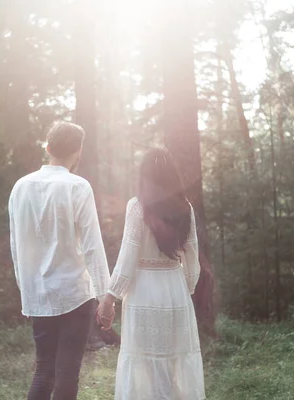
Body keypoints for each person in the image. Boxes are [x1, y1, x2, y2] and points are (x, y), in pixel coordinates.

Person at [9, 122, 112, 400]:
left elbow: (17, 247)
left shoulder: (20, 188)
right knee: (67, 373)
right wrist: (105, 296)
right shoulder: (78, 187)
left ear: (48, 148)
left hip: (38, 295)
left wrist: (26, 293)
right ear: (78, 151)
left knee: (44, 370)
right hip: (75, 295)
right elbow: (92, 245)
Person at [97, 147, 205, 400]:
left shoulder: (137, 206)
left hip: (143, 291)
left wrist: (110, 296)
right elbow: (192, 254)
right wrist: (187, 287)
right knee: (175, 359)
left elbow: (128, 254)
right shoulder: (185, 208)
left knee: (143, 360)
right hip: (175, 290)